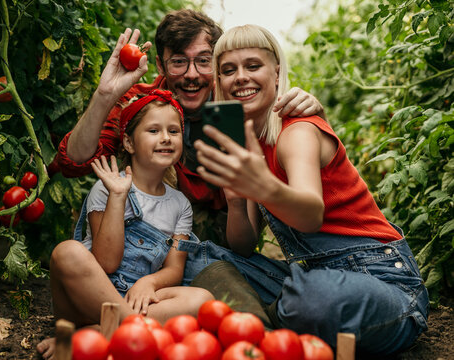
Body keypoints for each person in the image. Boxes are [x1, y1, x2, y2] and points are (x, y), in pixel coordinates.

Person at [190, 24, 429, 355]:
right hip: (307, 278)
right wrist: (235, 199)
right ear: (220, 83)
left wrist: (265, 186)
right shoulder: (248, 148)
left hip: (383, 286)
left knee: (316, 297)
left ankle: (254, 324)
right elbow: (243, 246)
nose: (240, 77)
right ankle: (271, 323)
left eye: (253, 66)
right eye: (228, 70)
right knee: (199, 256)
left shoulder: (297, 131)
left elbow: (310, 214)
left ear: (277, 73)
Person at [56, 9, 325, 244]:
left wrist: (309, 108)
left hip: (224, 231)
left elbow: (287, 143)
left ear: (218, 64)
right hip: (144, 225)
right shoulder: (137, 104)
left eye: (204, 61)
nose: (192, 74)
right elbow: (73, 162)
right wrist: (105, 95)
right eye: (179, 62)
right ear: (160, 65)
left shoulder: (238, 105)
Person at [37, 32, 213, 360]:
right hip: (89, 295)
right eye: (154, 131)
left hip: (138, 298)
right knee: (67, 253)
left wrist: (151, 283)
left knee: (201, 299)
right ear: (129, 144)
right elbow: (105, 262)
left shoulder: (179, 205)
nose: (166, 138)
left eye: (174, 131)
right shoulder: (109, 186)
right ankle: (134, 331)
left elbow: (174, 269)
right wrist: (118, 197)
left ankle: (100, 334)